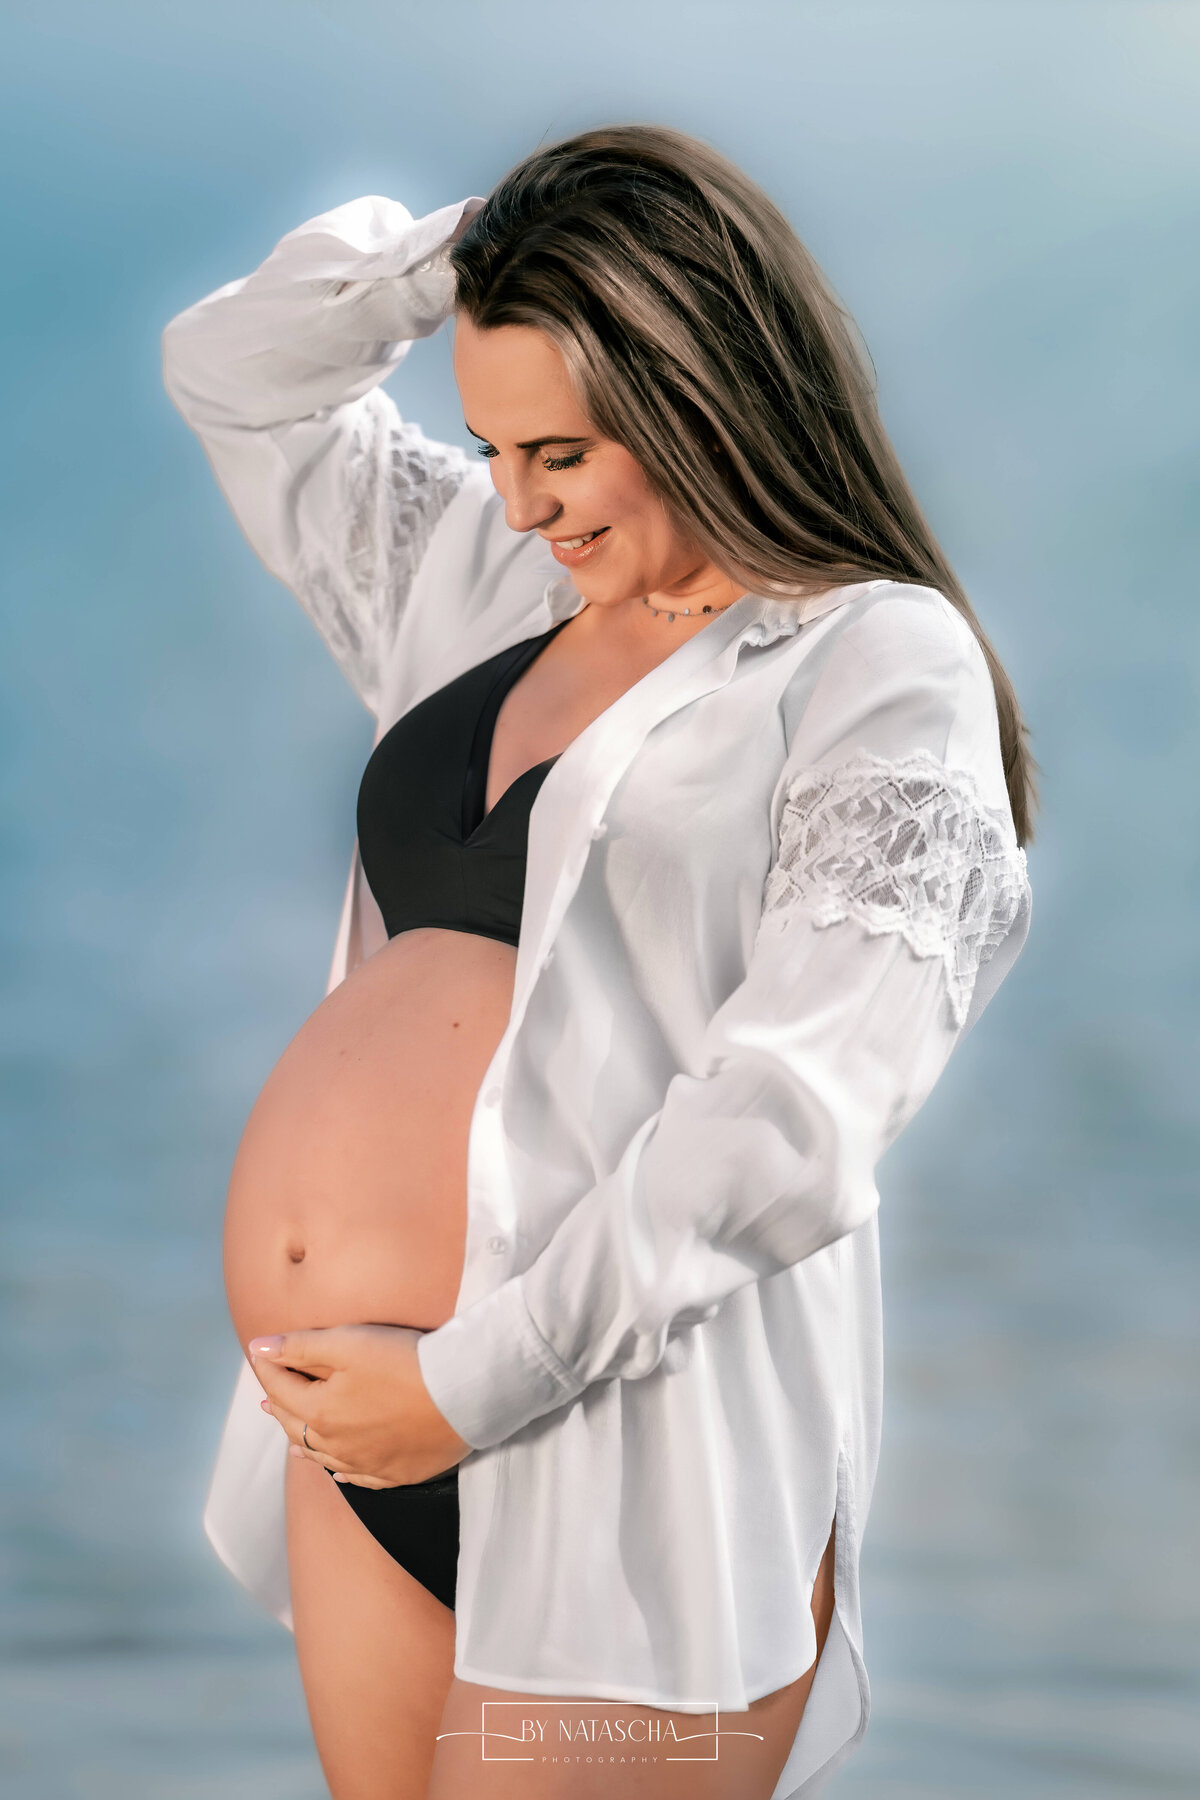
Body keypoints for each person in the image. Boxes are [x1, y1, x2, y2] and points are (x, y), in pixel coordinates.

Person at [162, 124, 1034, 1800]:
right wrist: (485, 250)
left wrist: (468, 1389)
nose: (514, 497)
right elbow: (230, 372)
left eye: (559, 449)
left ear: (700, 395)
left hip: (617, 1428)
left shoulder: (870, 661)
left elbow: (791, 1118)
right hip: (351, 1428)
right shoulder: (483, 584)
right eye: (491, 445)